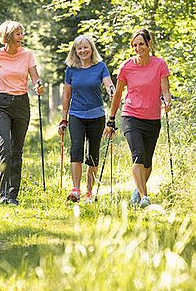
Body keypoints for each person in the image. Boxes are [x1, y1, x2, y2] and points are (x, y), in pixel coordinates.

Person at [103, 28, 171, 208]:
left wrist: (167, 101)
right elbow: (117, 95)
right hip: (131, 115)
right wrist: (111, 119)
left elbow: (166, 91)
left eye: (141, 44)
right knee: (138, 155)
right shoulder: (126, 67)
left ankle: (137, 190)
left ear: (149, 44)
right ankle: (144, 198)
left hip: (153, 118)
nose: (138, 48)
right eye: (135, 45)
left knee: (147, 162)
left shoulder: (160, 65)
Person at [0, 20, 44, 206]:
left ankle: (12, 195)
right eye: (18, 34)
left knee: (17, 151)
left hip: (21, 104)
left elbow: (35, 78)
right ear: (8, 36)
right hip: (1, 104)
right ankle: (1, 194)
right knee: (5, 148)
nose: (21, 38)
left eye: (21, 34)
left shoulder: (27, 55)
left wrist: (38, 86)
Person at [58, 35, 114, 203]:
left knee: (92, 154)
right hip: (76, 115)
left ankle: (89, 192)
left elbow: (108, 84)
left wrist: (113, 92)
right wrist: (63, 119)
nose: (82, 51)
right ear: (75, 51)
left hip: (96, 115)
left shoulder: (100, 67)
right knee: (76, 149)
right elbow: (67, 95)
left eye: (85, 47)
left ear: (91, 49)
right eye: (79, 48)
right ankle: (76, 190)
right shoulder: (71, 70)